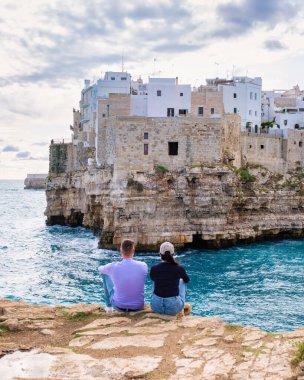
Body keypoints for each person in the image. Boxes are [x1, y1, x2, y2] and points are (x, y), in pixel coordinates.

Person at [98, 239, 148, 313]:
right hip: (138, 306)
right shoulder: (143, 266)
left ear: (121, 250)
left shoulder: (113, 266)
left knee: (104, 274)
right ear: (133, 251)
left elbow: (100, 269)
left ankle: (109, 308)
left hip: (119, 306)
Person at [150, 242, 190, 316]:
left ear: (160, 254)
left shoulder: (154, 268)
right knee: (182, 281)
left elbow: (152, 278)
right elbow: (187, 280)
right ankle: (181, 306)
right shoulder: (179, 268)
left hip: (156, 307)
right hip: (173, 308)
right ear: (173, 254)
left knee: (156, 280)